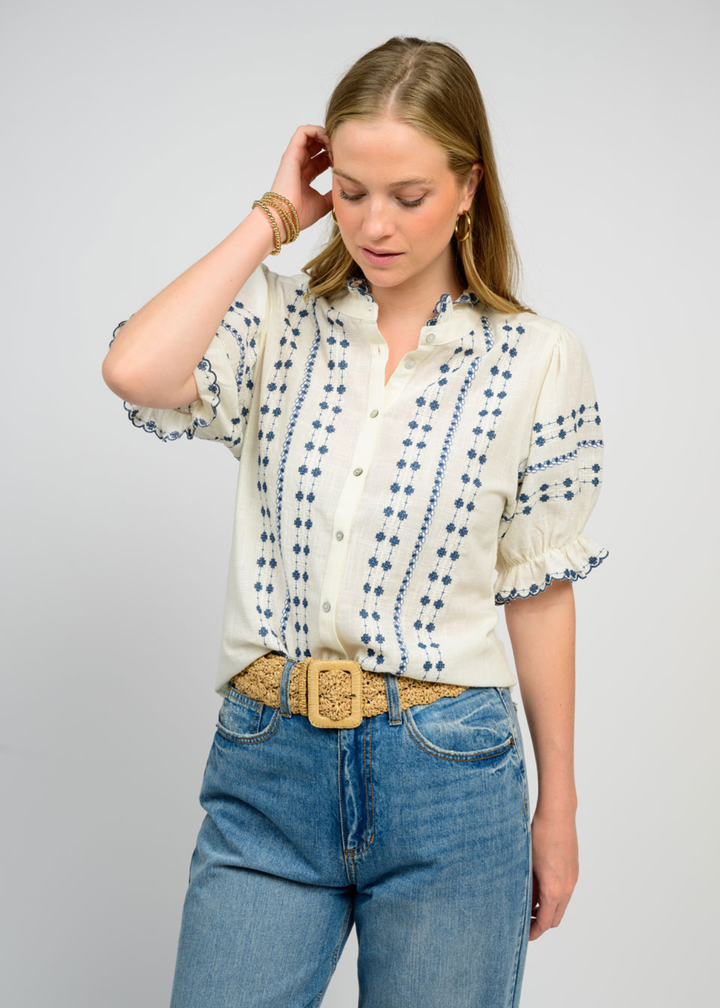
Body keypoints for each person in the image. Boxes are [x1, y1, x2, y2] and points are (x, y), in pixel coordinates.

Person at [102, 35, 609, 1008]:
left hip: (449, 774)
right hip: (267, 766)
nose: (375, 223)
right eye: (353, 190)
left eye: (408, 195)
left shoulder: (537, 360)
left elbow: (538, 594)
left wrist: (559, 808)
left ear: (469, 186)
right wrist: (276, 216)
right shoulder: (271, 322)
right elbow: (136, 369)